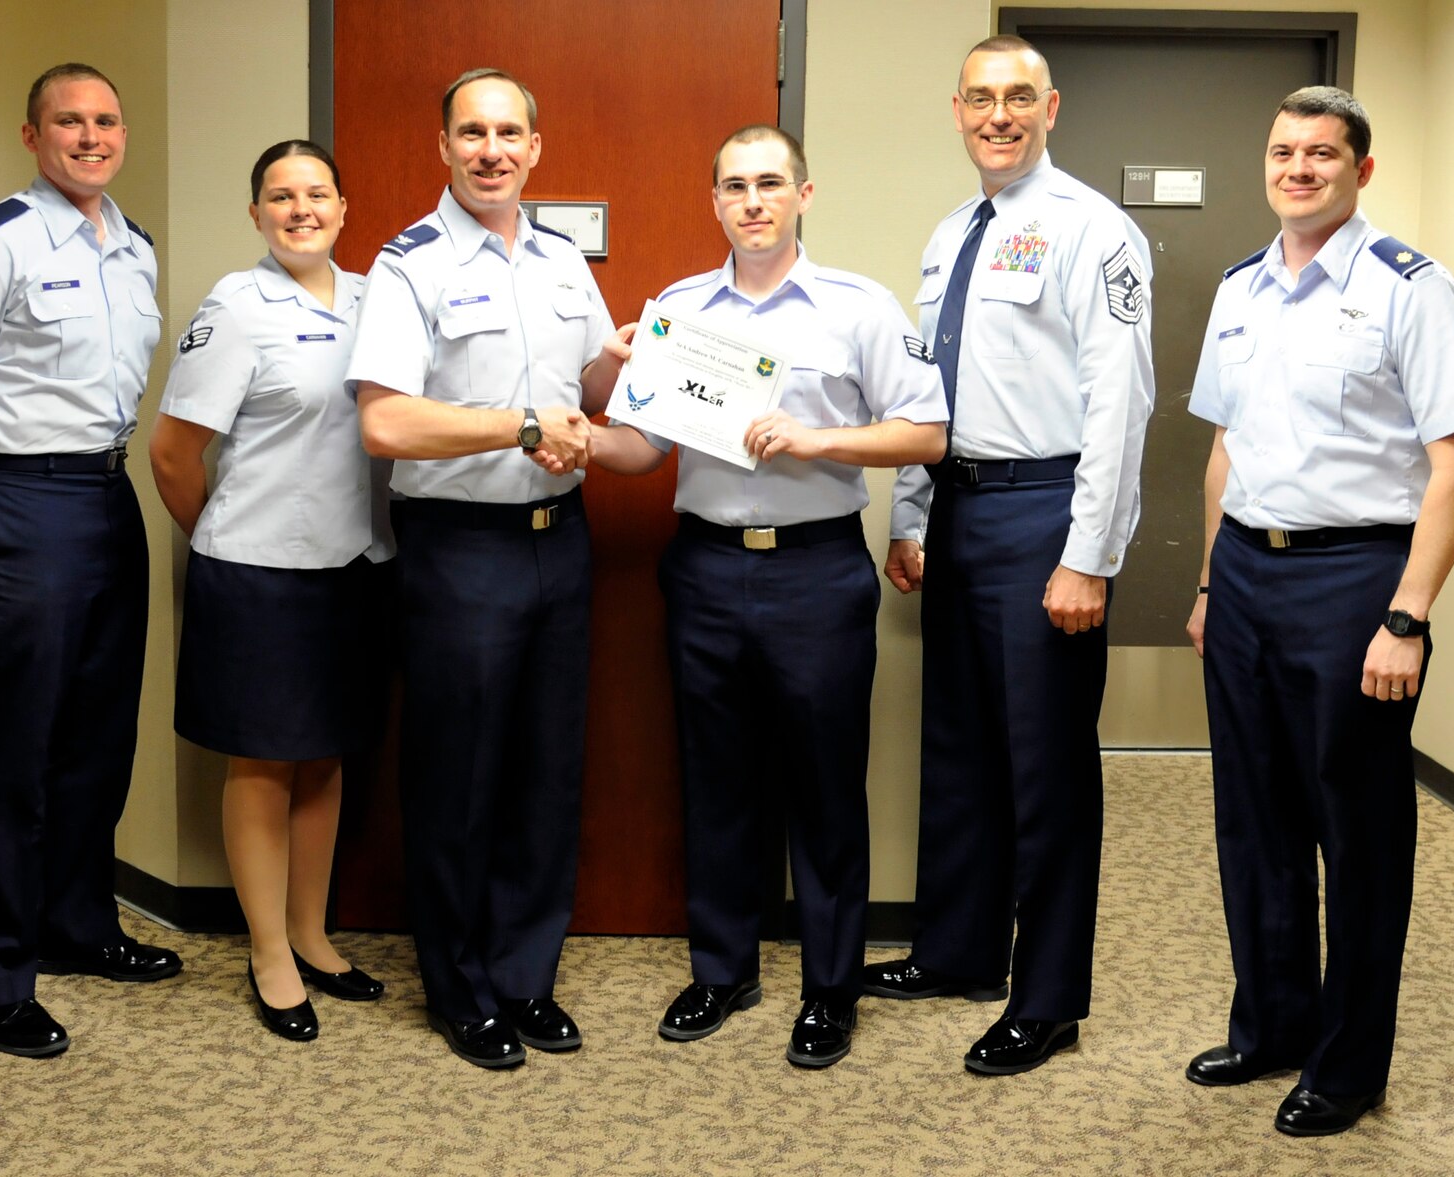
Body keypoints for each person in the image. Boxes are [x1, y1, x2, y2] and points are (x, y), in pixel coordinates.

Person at [591, 126, 947, 1068]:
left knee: (825, 786)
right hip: (704, 565)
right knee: (716, 778)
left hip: (816, 569)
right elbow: (637, 448)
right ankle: (724, 969)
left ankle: (830, 989)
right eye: (735, 186)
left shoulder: (856, 308)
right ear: (713, 201)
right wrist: (567, 436)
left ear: (803, 194)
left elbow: (927, 434)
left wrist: (818, 441)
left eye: (770, 184)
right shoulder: (677, 310)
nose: (753, 201)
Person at [1183, 86, 1454, 1137]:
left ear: (1360, 169)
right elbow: (1222, 445)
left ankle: (1347, 1063)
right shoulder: (1239, 288)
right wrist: (1209, 584)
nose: (1297, 168)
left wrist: (1405, 616)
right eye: (1281, 151)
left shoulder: (1411, 288)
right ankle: (1270, 1023)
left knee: (1353, 834)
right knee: (1253, 820)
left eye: (1320, 153)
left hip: (1354, 579)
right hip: (1244, 578)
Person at [867, 34, 1155, 1076]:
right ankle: (955, 951)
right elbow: (923, 389)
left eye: (1017, 98)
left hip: (1044, 513)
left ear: (1050, 107)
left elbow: (1120, 405)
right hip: (958, 511)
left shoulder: (1094, 231)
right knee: (959, 750)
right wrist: (909, 516)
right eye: (980, 98)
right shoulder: (952, 232)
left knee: (1045, 769)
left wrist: (1089, 556)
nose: (997, 114)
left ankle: (1045, 997)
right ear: (955, 110)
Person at [345, 68, 630, 1069]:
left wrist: (626, 357)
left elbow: (589, 380)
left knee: (545, 775)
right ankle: (461, 989)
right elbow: (383, 419)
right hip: (460, 552)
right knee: (456, 779)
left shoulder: (559, 259)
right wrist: (517, 426)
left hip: (561, 540)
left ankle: (524, 977)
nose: (491, 149)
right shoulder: (406, 266)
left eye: (509, 132)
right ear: (443, 148)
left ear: (535, 148)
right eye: (472, 132)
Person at [0, 63, 176, 1060]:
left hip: (106, 495)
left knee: (98, 734)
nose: (91, 136)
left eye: (105, 120)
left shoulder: (133, 246)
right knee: (17, 748)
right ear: (31, 135)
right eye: (69, 121)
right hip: (19, 496)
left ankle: (77, 923)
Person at [150, 140, 394, 1043]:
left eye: (317, 193)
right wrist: (228, 539)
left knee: (325, 755)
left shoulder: (379, 299)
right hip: (256, 573)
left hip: (355, 567)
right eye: (280, 196)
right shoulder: (236, 305)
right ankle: (268, 953)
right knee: (261, 762)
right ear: (255, 213)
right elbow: (172, 455)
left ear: (343, 207)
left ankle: (312, 932)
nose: (300, 209)